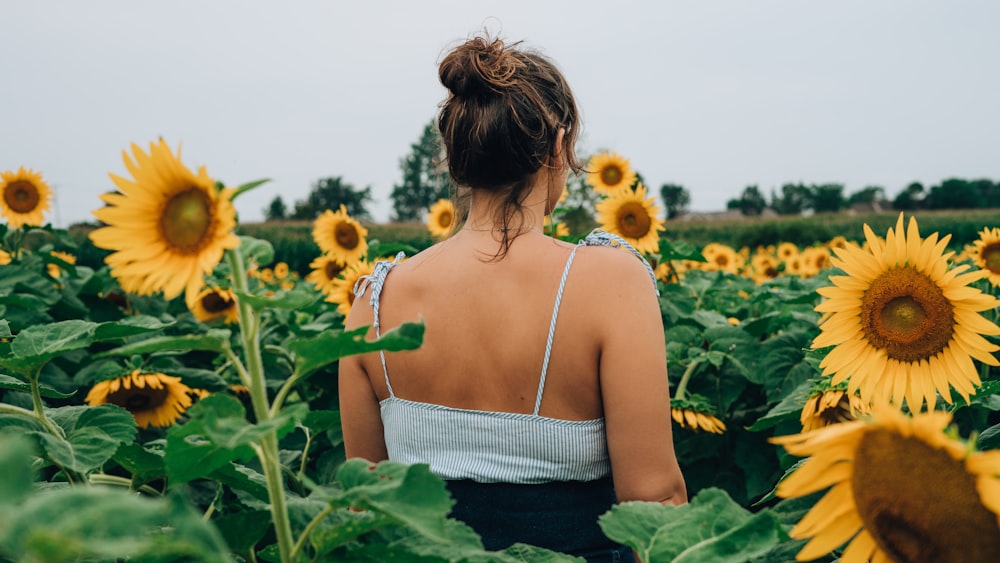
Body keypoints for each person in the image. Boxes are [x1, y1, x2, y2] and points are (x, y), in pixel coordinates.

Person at [339, 33, 687, 562]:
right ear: (558, 147)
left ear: (456, 162)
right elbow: (655, 501)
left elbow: (363, 514)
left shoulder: (374, 304)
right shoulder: (612, 284)